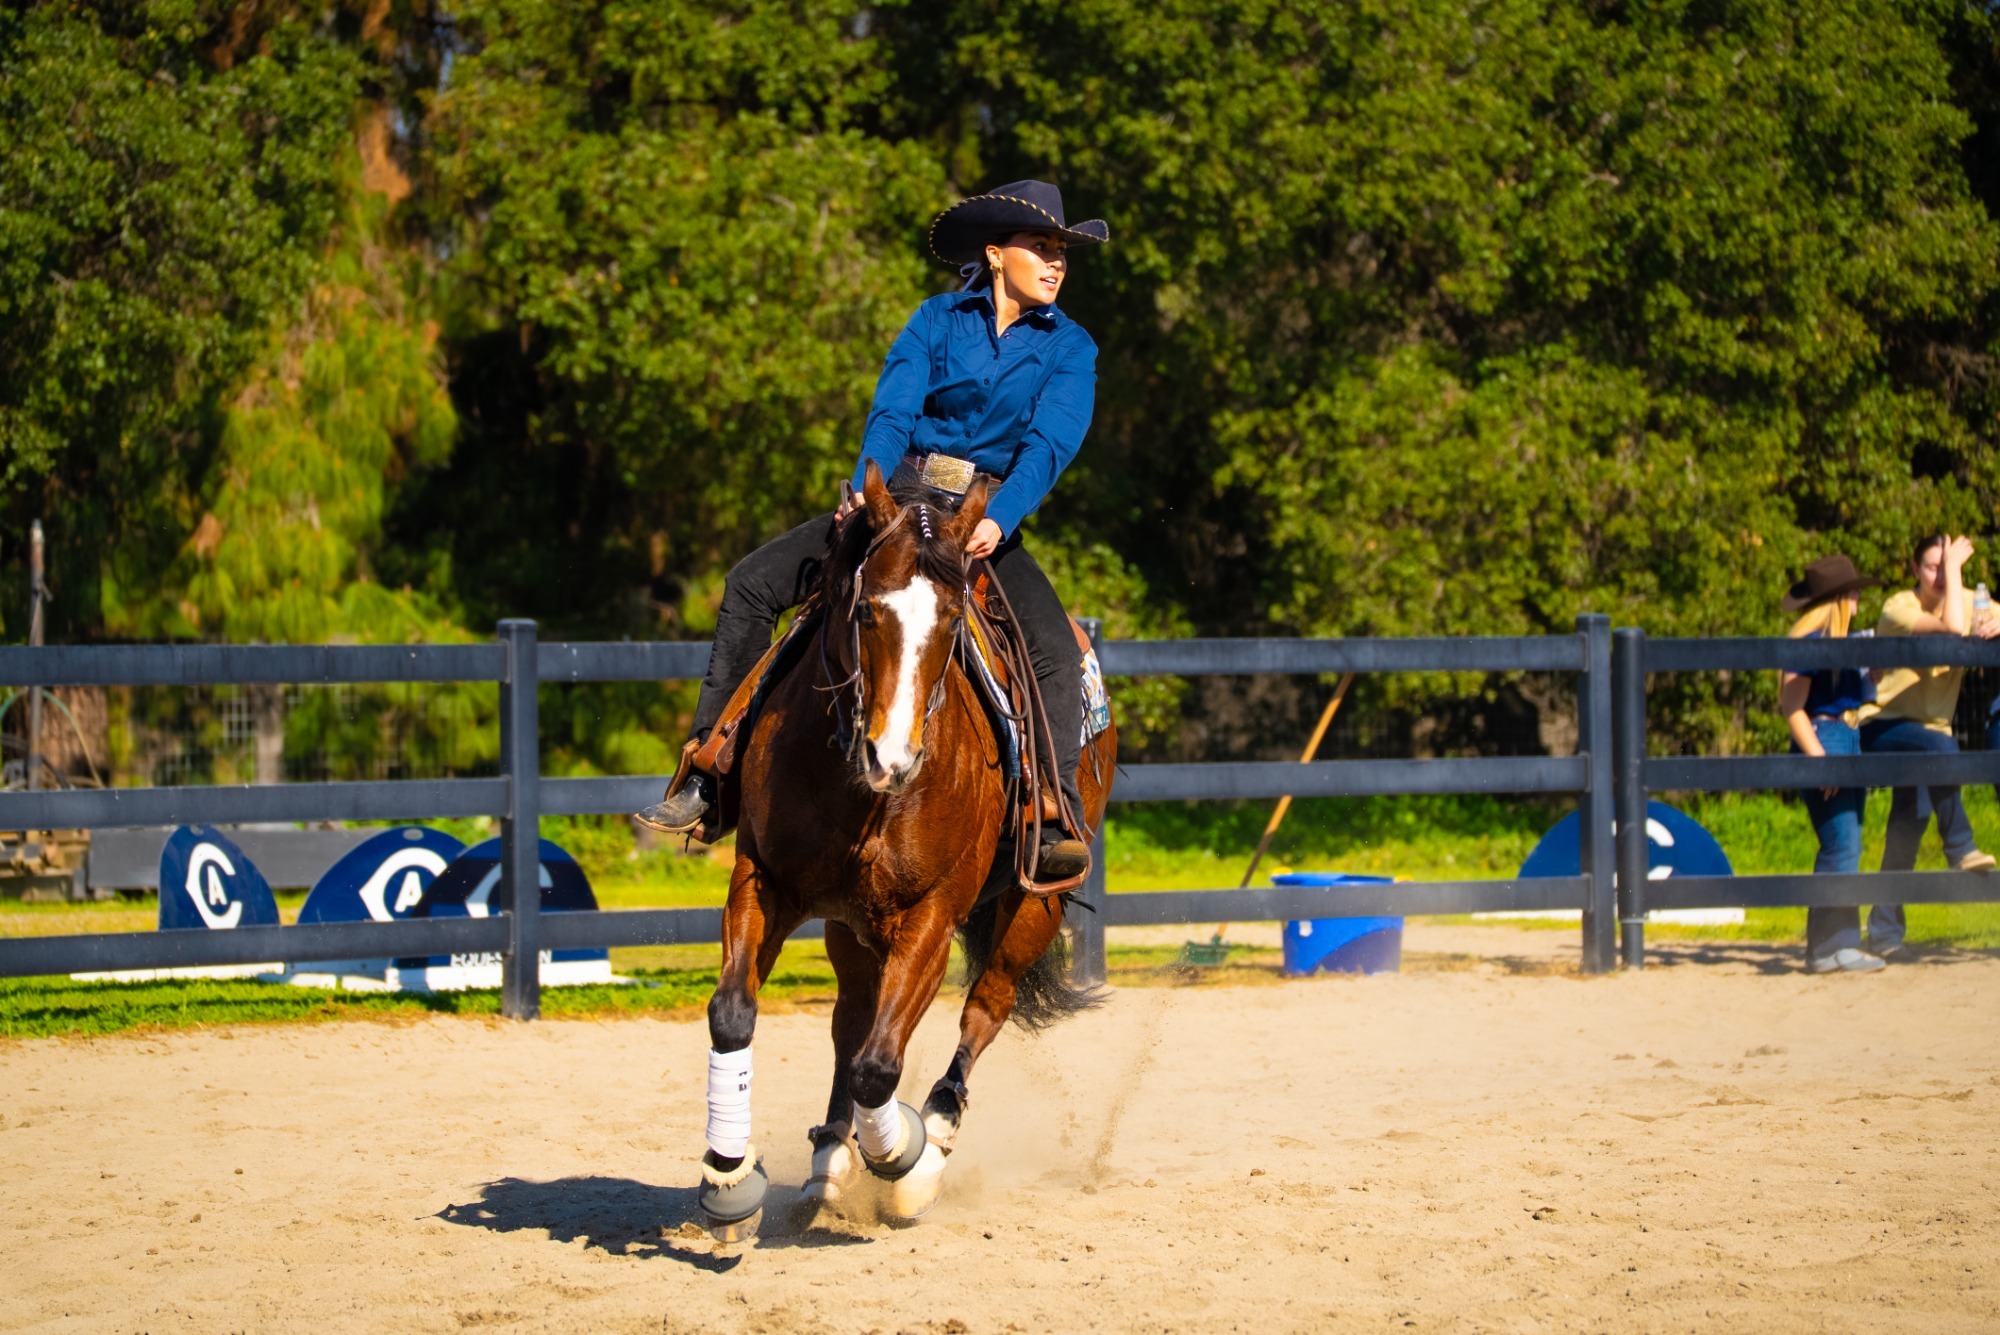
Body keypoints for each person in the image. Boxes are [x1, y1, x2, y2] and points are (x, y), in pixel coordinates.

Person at [635, 180, 1110, 884]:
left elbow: (1048, 444)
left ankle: (1050, 813)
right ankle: (709, 772)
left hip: (982, 515)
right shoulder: (935, 320)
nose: (1055, 261)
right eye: (1040, 246)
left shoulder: (1072, 348)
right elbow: (893, 407)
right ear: (994, 252)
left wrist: (1000, 517)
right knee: (753, 584)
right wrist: (867, 486)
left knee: (1056, 652)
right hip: (900, 495)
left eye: (1060, 250)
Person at [1858, 534, 2000, 958]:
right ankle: (1960, 846)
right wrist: (1956, 572)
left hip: (1928, 740)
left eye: (1946, 566)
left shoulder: (1973, 604)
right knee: (1941, 747)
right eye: (1932, 567)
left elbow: (1977, 616)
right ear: (1915, 570)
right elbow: (1952, 629)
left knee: (1907, 826)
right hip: (1883, 727)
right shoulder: (1899, 607)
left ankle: (1883, 931)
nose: (1940, 575)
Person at [1777, 555, 1883, 973]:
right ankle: (1827, 947)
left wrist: (1871, 674)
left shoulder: (1842, 642)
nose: (1858, 597)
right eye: (1852, 591)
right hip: (1826, 739)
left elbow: (1857, 695)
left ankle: (1837, 944)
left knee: (1848, 842)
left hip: (1848, 736)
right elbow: (1792, 706)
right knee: (1840, 842)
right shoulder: (1811, 642)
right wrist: (1820, 761)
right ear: (1837, 599)